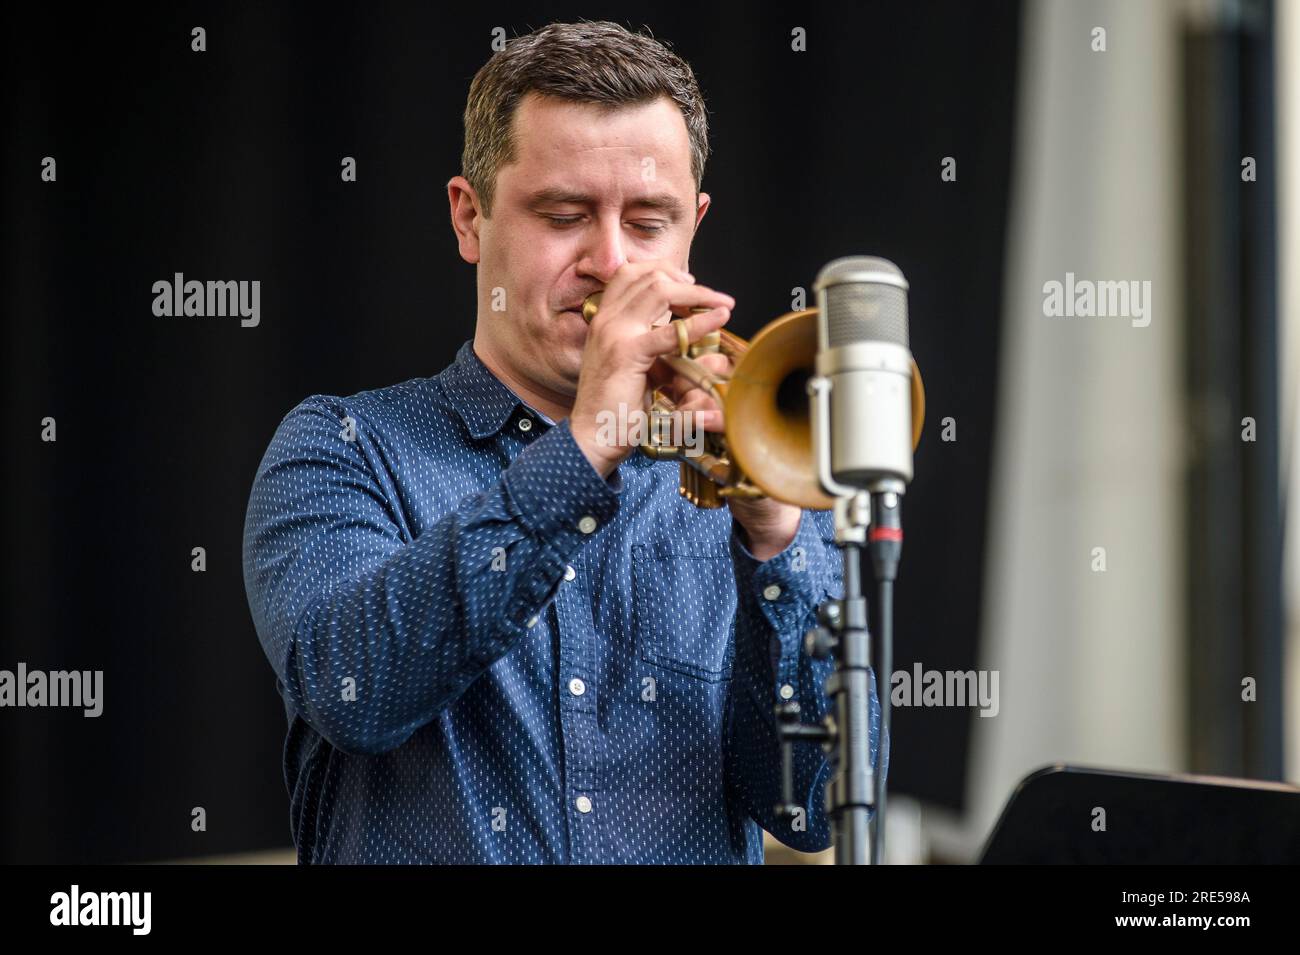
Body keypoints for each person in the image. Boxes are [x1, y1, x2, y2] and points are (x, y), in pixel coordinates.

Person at [241, 19, 886, 864]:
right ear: (469, 218)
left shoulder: (736, 485)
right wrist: (586, 446)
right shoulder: (344, 448)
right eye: (564, 214)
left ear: (693, 227)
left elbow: (814, 809)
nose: (611, 262)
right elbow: (353, 689)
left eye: (649, 221)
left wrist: (779, 542)